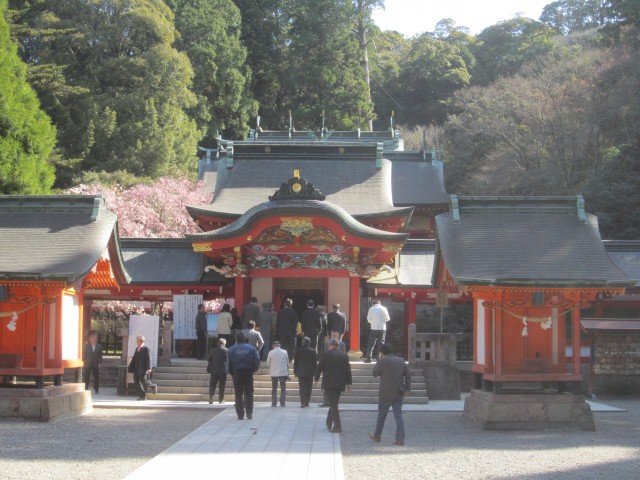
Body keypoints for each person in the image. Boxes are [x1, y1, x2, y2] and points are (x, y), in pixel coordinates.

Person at [368, 343, 411, 446]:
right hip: (399, 392)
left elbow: (374, 373)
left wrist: (379, 360)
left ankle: (377, 435)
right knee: (398, 416)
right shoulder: (401, 361)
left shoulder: (383, 361)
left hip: (385, 392)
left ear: (382, 353)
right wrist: (407, 388)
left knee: (381, 415)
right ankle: (400, 439)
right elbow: (408, 375)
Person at [314, 338, 352, 433]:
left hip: (329, 382)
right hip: (340, 382)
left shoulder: (326, 354)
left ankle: (337, 426)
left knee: (333, 404)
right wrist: (349, 383)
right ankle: (329, 422)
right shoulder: (344, 355)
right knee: (334, 403)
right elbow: (348, 370)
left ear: (330, 345)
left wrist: (316, 378)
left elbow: (319, 367)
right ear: (338, 345)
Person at [228, 331, 260, 420]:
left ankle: (240, 414)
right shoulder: (251, 348)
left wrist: (232, 372)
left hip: (237, 372)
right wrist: (253, 370)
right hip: (248, 372)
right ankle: (249, 413)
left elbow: (229, 363)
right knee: (249, 393)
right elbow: (256, 361)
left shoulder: (232, 349)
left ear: (236, 339)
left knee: (238, 394)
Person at [319, 331, 347, 407]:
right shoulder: (327, 343)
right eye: (332, 335)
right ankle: (326, 402)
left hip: (338, 368)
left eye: (335, 335)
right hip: (328, 368)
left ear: (338, 336)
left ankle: (334, 402)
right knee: (325, 386)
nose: (333, 336)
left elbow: (344, 355)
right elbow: (324, 354)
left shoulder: (342, 344)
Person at [128, 335, 158, 401]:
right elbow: (134, 358)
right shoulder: (137, 348)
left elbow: (148, 359)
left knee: (143, 380)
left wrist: (149, 368)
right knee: (136, 381)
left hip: (143, 368)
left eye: (137, 340)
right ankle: (142, 396)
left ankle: (153, 386)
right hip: (136, 368)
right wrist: (131, 367)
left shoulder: (146, 348)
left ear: (141, 341)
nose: (136, 341)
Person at [294, 336, 317, 408]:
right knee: (309, 387)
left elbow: (296, 362)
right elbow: (315, 363)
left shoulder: (298, 350)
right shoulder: (313, 351)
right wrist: (315, 373)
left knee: (302, 387)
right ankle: (307, 401)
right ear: (309, 343)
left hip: (301, 371)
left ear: (302, 343)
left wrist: (295, 371)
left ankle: (303, 402)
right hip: (310, 371)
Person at [266, 340, 289, 407]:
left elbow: (267, 363)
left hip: (274, 373)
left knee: (274, 388)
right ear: (280, 345)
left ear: (273, 345)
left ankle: (274, 403)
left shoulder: (271, 352)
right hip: (283, 372)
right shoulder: (285, 352)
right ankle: (282, 403)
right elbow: (287, 362)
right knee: (283, 388)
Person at [206, 337, 229, 404]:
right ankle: (221, 400)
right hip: (223, 371)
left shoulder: (213, 350)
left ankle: (211, 397)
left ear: (218, 343)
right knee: (222, 385)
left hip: (214, 370)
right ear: (224, 343)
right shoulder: (227, 350)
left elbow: (208, 359)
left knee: (212, 384)